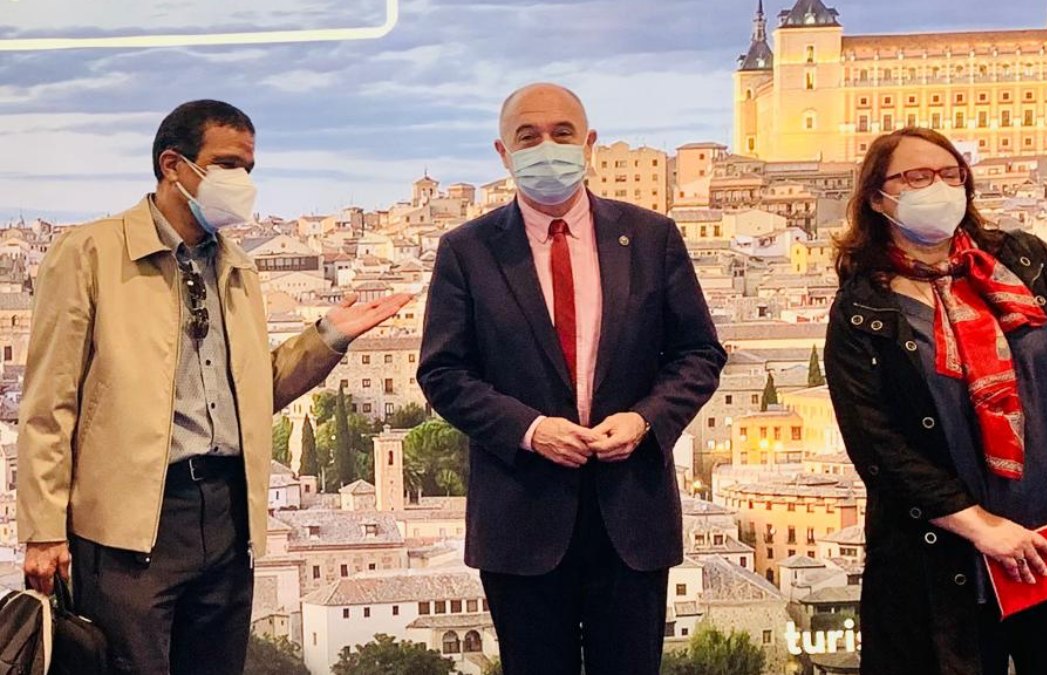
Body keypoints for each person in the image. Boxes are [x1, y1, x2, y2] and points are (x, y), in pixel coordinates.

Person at [17, 99, 406, 675]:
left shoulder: (238, 266)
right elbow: (50, 400)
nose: (241, 181)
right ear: (173, 165)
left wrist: (327, 338)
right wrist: (44, 529)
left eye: (248, 168)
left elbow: (253, 393)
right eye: (227, 165)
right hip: (131, 523)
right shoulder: (90, 253)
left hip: (227, 516)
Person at [418, 83, 725, 675]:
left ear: (589, 144)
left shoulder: (652, 237)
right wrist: (531, 430)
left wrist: (644, 420)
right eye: (528, 137)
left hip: (632, 514)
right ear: (503, 153)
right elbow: (443, 372)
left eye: (562, 134)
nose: (547, 147)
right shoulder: (468, 250)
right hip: (520, 516)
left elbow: (698, 353)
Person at [824, 127, 1047, 675]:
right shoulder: (862, 308)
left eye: (951, 175)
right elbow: (876, 445)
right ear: (877, 197)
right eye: (917, 177)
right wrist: (983, 529)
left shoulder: (1026, 262)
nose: (939, 187)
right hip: (943, 562)